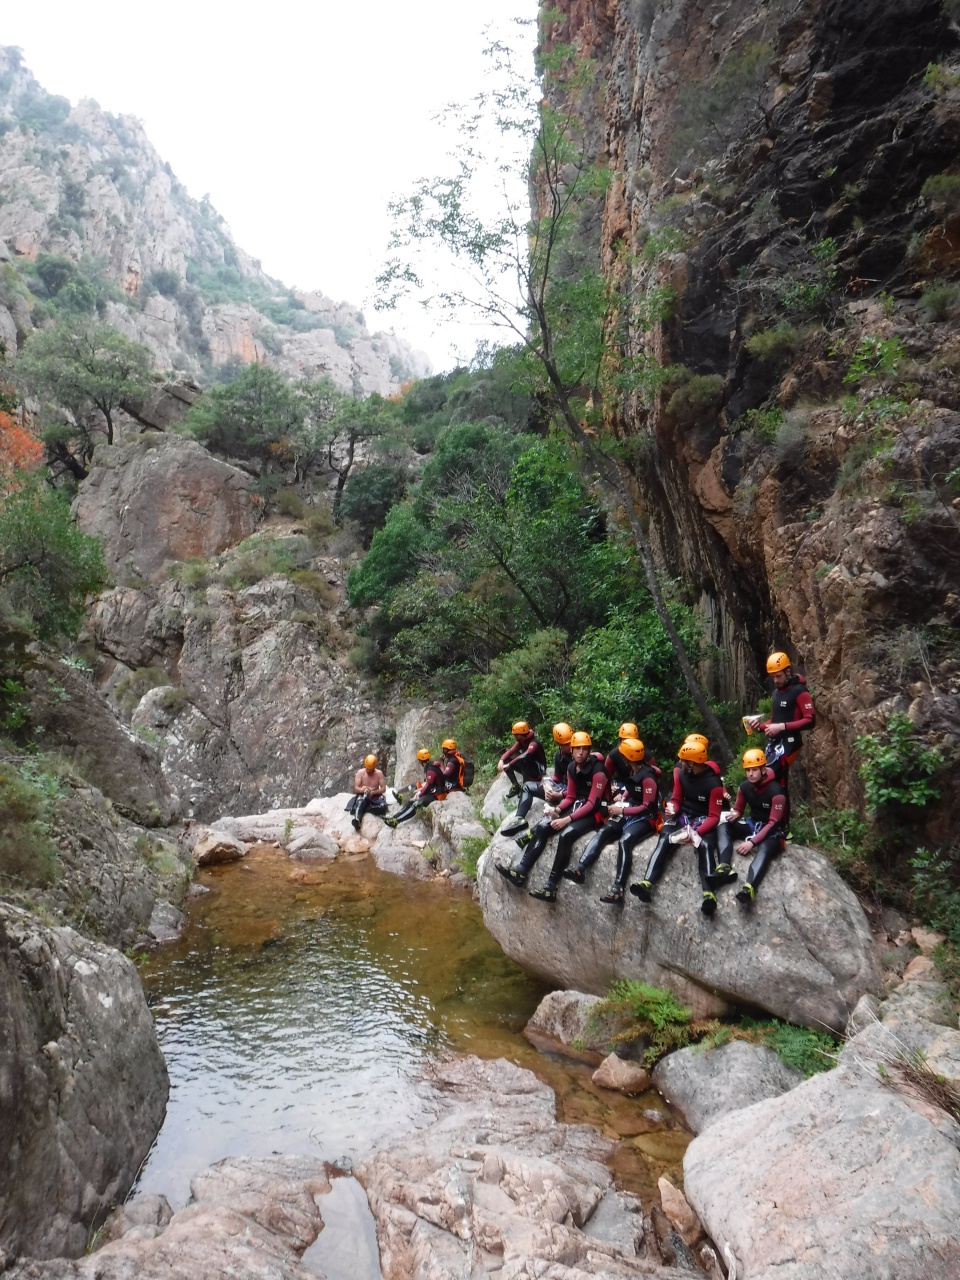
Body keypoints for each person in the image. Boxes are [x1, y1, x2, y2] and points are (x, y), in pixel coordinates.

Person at [496, 731, 609, 903]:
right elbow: (571, 797)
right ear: (571, 750)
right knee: (543, 827)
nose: (580, 752)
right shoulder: (572, 767)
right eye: (577, 749)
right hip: (578, 804)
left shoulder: (598, 771)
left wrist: (566, 819)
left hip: (596, 811)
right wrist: (557, 810)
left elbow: (592, 803)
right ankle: (521, 871)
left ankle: (551, 886)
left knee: (566, 835)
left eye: (584, 749)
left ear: (589, 751)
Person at [629, 739, 727, 916]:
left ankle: (709, 895)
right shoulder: (682, 775)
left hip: (702, 820)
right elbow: (676, 798)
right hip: (683, 817)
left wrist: (697, 832)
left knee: (705, 845)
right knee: (665, 838)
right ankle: (647, 883)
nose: (679, 763)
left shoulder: (714, 784)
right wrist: (672, 809)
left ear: (691, 763)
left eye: (683, 760)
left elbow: (714, 816)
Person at [563, 738, 663, 904]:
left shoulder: (648, 777)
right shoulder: (634, 771)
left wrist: (622, 810)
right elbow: (632, 791)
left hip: (646, 818)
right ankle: (580, 868)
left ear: (627, 758)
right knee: (605, 830)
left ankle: (618, 888)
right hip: (629, 810)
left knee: (625, 841)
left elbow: (647, 807)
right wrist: (622, 800)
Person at [717, 748, 788, 904]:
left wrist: (752, 842)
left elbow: (774, 822)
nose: (750, 774)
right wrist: (735, 814)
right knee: (724, 827)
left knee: (765, 848)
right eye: (748, 770)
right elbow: (739, 809)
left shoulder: (776, 791)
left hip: (773, 833)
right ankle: (723, 866)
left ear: (763, 769)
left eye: (754, 770)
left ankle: (749, 887)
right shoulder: (745, 787)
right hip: (753, 824)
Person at [501, 722, 574, 839]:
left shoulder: (579, 758)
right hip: (561, 789)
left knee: (552, 813)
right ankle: (519, 819)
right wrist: (546, 784)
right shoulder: (559, 756)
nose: (570, 746)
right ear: (558, 744)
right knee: (527, 786)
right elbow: (557, 777)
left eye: (570, 742)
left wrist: (560, 795)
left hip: (570, 796)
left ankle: (530, 836)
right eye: (566, 744)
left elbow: (580, 788)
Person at [384, 749, 447, 827]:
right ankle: (394, 818)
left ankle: (396, 821)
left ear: (420, 761)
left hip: (438, 794)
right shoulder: (430, 766)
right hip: (434, 791)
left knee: (416, 804)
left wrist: (420, 794)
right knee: (410, 802)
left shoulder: (431, 770)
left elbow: (429, 785)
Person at [497, 721, 547, 798]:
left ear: (522, 734)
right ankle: (516, 786)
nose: (515, 737)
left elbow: (525, 755)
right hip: (529, 768)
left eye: (516, 735)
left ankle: (525, 786)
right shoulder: (522, 741)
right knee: (507, 760)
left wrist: (510, 765)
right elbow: (511, 751)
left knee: (523, 761)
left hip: (538, 771)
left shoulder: (534, 743)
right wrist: (502, 760)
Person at [348, 753, 387, 830]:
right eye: (367, 768)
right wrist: (362, 789)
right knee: (360, 802)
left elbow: (383, 789)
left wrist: (374, 792)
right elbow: (356, 788)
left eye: (370, 769)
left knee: (383, 807)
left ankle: (364, 808)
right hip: (363, 795)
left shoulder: (379, 774)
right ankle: (357, 820)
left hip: (375, 795)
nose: (368, 770)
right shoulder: (360, 773)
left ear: (374, 767)